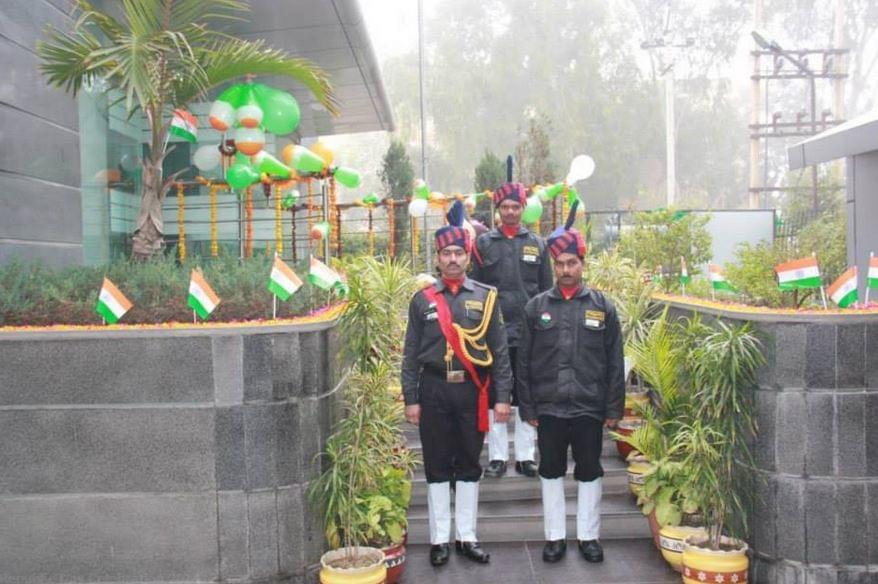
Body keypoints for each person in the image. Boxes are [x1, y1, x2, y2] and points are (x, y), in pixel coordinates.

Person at [401, 200, 513, 567]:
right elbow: (410, 352)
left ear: (468, 257)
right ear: (437, 258)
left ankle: (466, 536)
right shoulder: (422, 301)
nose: (452, 259)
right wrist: (410, 398)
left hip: (471, 391)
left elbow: (499, 349)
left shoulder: (485, 297)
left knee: (468, 462)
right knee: (435, 465)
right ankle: (438, 540)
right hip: (432, 390)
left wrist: (503, 398)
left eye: (458, 253)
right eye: (446, 253)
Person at [516, 201, 625, 564]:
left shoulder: (602, 306)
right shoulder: (535, 307)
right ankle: (555, 537)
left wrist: (613, 407)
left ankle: (588, 537)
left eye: (571, 263)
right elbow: (525, 362)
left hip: (589, 407)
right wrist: (527, 406)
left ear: (582, 263)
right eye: (559, 264)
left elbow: (614, 361)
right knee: (549, 471)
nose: (565, 270)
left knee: (590, 471)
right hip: (548, 407)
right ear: (553, 265)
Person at [471, 182, 552, 479]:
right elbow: (475, 290)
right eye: (504, 207)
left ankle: (526, 456)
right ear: (497, 210)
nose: (510, 212)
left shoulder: (537, 244)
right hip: (493, 331)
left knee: (525, 392)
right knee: (495, 393)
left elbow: (546, 292)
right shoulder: (483, 245)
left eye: (515, 207)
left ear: (523, 210)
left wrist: (546, 328)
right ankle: (497, 457)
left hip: (529, 331)